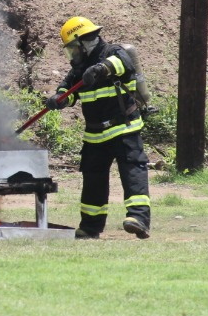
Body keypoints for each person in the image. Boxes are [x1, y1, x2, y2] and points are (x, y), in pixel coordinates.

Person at [43, 16, 152, 240]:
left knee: (133, 172)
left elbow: (124, 64)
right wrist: (59, 99)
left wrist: (101, 69)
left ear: (84, 41)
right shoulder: (79, 68)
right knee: (93, 181)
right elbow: (67, 90)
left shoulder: (113, 52)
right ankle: (90, 227)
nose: (72, 53)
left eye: (73, 47)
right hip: (94, 135)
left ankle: (138, 219)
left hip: (123, 128)